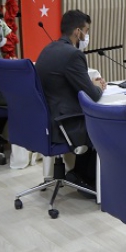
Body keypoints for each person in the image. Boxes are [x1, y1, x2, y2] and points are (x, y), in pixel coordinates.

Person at [35, 10, 106, 189]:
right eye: (86, 30)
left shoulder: (47, 49)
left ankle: (78, 174)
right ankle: (89, 180)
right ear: (77, 32)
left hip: (44, 122)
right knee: (102, 125)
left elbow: (62, 84)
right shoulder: (73, 55)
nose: (86, 35)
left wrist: (88, 83)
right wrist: (98, 86)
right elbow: (93, 95)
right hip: (64, 124)